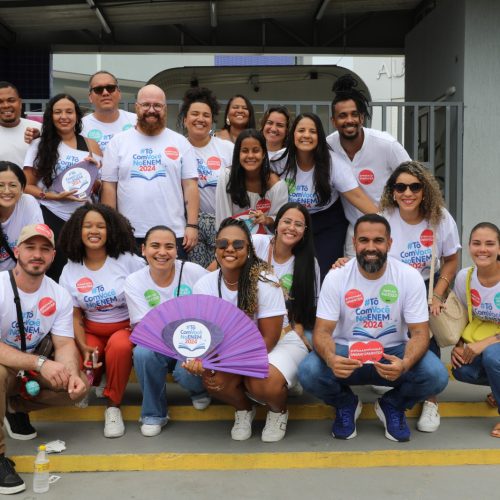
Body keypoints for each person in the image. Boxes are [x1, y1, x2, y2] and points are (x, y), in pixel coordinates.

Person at [298, 214, 449, 442]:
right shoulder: (337, 276)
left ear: (389, 243)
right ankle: (345, 403)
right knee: (308, 372)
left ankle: (393, 405)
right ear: (354, 243)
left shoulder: (409, 277)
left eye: (378, 240)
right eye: (364, 240)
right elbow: (322, 332)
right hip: (347, 353)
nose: (370, 247)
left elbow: (419, 333)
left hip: (392, 354)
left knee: (436, 375)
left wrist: (405, 363)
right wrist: (331, 358)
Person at [189, 217, 308, 442]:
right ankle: (244, 409)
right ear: (216, 248)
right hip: (235, 349)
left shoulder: (265, 280)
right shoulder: (204, 285)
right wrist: (198, 358)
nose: (229, 249)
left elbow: (268, 340)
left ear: (249, 249)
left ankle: (278, 410)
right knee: (213, 378)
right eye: (223, 244)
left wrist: (229, 363)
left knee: (261, 381)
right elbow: (204, 335)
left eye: (238, 245)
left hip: (277, 344)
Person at [0, 223, 88, 494]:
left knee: (77, 388)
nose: (37, 254)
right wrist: (40, 363)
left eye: (45, 249)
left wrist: (71, 372)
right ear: (17, 251)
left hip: (28, 368)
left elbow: (63, 343)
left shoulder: (57, 293)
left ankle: (14, 408)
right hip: (8, 365)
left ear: (52, 256)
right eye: (30, 247)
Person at [379, 161, 460, 432]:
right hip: (393, 287)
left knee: (426, 333)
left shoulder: (440, 218)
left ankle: (430, 400)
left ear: (424, 190)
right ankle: (402, 382)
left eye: (415, 186)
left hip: (428, 285)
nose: (408, 193)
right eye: (400, 187)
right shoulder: (384, 219)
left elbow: (451, 259)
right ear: (392, 192)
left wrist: (437, 295)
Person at [59, 203, 145, 438]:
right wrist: (82, 344)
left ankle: (113, 406)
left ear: (111, 231)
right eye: (87, 226)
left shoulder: (127, 260)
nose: (94, 231)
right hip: (91, 328)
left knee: (119, 346)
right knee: (89, 351)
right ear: (78, 230)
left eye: (100, 226)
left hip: (124, 327)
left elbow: (148, 286)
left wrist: (140, 321)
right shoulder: (70, 269)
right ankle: (91, 382)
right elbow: (74, 314)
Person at [124, 225, 210, 437]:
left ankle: (198, 390)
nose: (162, 252)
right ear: (143, 250)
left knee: (186, 371)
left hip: (193, 341)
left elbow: (211, 309)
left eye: (169, 246)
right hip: (156, 341)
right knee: (142, 352)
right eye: (155, 246)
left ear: (176, 251)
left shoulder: (195, 272)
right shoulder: (134, 281)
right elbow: (143, 327)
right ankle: (154, 413)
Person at [272, 113, 378, 279]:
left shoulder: (333, 163)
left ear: (319, 137)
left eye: (312, 131)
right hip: (292, 221)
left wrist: (384, 222)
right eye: (301, 130)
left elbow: (357, 198)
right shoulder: (279, 160)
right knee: (291, 271)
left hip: (327, 223)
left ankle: (321, 304)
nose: (306, 135)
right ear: (293, 135)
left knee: (325, 274)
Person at [101, 84, 199, 259]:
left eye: (157, 105)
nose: (151, 110)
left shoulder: (180, 143)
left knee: (173, 284)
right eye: (146, 105)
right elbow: (109, 187)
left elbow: (190, 186)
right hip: (128, 234)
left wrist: (192, 225)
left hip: (173, 234)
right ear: (137, 107)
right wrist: (112, 227)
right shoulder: (118, 142)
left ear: (165, 109)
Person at [326, 75, 410, 256]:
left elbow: (414, 178)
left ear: (362, 118)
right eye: (342, 116)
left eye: (354, 114)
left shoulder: (386, 144)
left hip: (392, 228)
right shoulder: (328, 147)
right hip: (354, 231)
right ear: (333, 121)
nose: (349, 120)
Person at [23, 93, 102, 281]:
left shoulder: (92, 145)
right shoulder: (39, 144)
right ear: (50, 116)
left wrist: (95, 172)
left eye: (69, 111)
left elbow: (98, 187)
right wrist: (53, 196)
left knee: (84, 269)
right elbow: (26, 186)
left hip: (83, 218)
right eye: (58, 112)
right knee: (55, 270)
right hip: (51, 214)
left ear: (77, 116)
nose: (64, 116)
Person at [451, 222, 500, 438]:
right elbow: (461, 314)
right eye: (476, 243)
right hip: (485, 342)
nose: (483, 249)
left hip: (493, 347)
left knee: (492, 357)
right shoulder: (465, 277)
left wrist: (485, 343)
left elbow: (489, 349)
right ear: (469, 246)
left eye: (490, 244)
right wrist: (458, 345)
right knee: (462, 369)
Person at [177, 87, 234, 267]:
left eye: (206, 115)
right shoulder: (175, 148)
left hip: (223, 224)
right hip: (189, 228)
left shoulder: (226, 148)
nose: (200, 119)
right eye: (195, 114)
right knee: (197, 277)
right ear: (185, 119)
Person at [252, 202, 320, 349]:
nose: (291, 228)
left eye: (299, 224)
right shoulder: (256, 243)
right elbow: (218, 270)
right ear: (276, 225)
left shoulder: (309, 263)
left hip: (286, 325)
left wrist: (298, 328)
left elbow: (307, 307)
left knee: (309, 348)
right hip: (249, 321)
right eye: (287, 222)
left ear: (304, 231)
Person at [25, 71, 136, 153]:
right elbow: (55, 141)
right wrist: (39, 138)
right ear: (90, 97)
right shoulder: (78, 126)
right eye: (98, 89)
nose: (105, 93)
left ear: (119, 93)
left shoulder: (137, 121)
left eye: (110, 88)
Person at [216, 129, 288, 235]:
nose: (250, 156)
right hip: (232, 242)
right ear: (238, 154)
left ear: (263, 154)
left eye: (255, 150)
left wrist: (267, 219)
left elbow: (280, 219)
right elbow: (223, 216)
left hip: (264, 242)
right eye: (245, 151)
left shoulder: (277, 185)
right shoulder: (227, 177)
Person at [0, 161, 43, 271]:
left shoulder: (28, 203)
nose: (6, 191)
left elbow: (38, 243)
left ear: (22, 188)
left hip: (19, 276)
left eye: (13, 185)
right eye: (0, 185)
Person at [0, 81, 40, 167]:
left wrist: (38, 140)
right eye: (0, 102)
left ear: (20, 103)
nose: (6, 105)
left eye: (11, 100)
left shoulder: (38, 129)